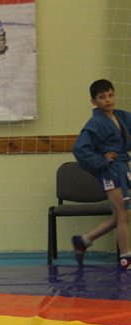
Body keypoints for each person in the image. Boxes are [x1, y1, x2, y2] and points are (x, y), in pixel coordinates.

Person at [71, 79, 131, 271]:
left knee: (119, 216)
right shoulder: (95, 123)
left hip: (122, 168)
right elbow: (80, 149)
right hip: (110, 171)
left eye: (110, 95)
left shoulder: (121, 116)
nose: (108, 100)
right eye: (102, 97)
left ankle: (83, 240)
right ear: (94, 101)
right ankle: (126, 257)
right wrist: (102, 161)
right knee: (124, 213)